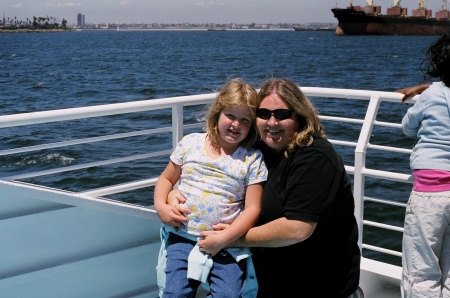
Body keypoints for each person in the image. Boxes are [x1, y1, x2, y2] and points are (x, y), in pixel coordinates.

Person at [164, 78, 362, 297]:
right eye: (264, 114)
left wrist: (230, 238)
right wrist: (175, 192)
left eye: (282, 114)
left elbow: (297, 228)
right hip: (264, 280)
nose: (272, 122)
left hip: (317, 285)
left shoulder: (315, 158)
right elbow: (215, 181)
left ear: (299, 116)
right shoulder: (255, 150)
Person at [154, 78, 268, 298]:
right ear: (217, 114)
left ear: (252, 125)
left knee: (228, 294)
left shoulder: (252, 159)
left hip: (226, 244)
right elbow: (166, 180)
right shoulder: (191, 143)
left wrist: (226, 239)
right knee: (175, 293)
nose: (236, 124)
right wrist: (161, 206)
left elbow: (253, 209)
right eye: (231, 116)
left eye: (245, 120)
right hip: (183, 235)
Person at [400, 34, 450, 298]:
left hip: (430, 192)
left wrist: (423, 91)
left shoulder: (432, 95)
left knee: (422, 271)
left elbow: (407, 128)